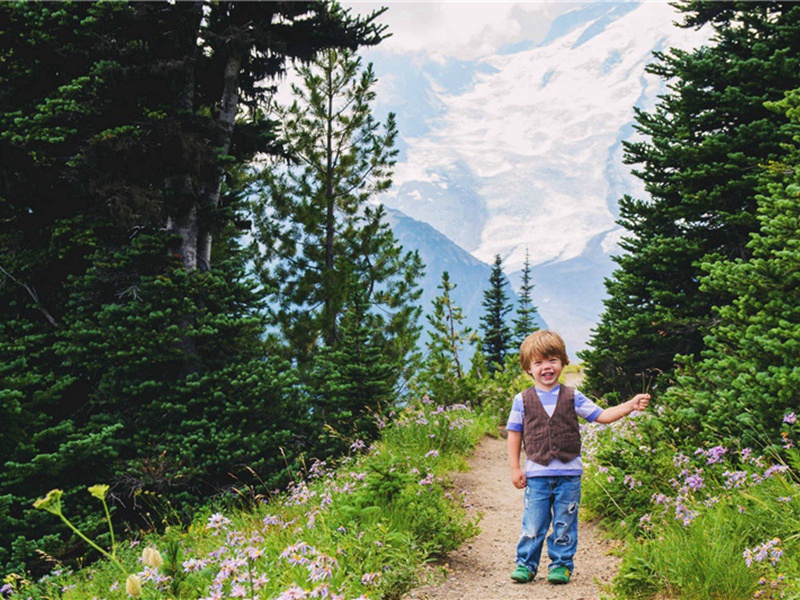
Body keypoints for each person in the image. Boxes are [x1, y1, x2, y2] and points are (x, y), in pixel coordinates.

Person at [507, 330, 649, 585]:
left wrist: (630, 405)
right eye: (538, 362)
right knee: (533, 524)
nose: (546, 367)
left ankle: (561, 565)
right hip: (536, 475)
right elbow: (514, 433)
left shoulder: (573, 396)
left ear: (562, 361)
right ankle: (526, 564)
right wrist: (515, 468)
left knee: (565, 522)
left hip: (569, 474)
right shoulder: (522, 400)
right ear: (528, 368)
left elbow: (601, 416)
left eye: (552, 360)